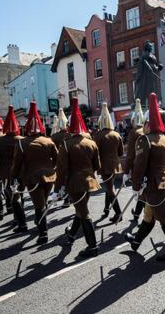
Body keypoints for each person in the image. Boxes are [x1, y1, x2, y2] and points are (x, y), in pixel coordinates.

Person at [125, 93, 165, 261]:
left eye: (145, 124)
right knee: (149, 215)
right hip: (163, 181)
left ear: (148, 124)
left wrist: (135, 186)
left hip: (152, 185)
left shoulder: (145, 140)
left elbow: (139, 166)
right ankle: (136, 241)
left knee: (164, 217)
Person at [56, 98, 101, 258]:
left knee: (83, 212)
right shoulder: (91, 143)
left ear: (69, 127)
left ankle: (92, 246)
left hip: (75, 183)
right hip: (89, 181)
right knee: (80, 209)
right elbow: (97, 166)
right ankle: (72, 234)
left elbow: (62, 170)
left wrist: (57, 188)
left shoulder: (66, 144)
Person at [10, 102, 59, 244]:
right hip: (49, 176)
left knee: (39, 205)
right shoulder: (48, 140)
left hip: (32, 178)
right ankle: (40, 222)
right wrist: (52, 169)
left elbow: (17, 164)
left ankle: (43, 233)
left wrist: (14, 179)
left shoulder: (22, 143)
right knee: (42, 202)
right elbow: (57, 159)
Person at [0, 106, 25, 230]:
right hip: (22, 172)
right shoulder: (22, 140)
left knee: (14, 197)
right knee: (19, 195)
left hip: (7, 173)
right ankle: (18, 217)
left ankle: (20, 221)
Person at [95, 103, 124, 222]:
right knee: (109, 186)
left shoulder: (98, 136)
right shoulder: (117, 134)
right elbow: (121, 153)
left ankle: (118, 213)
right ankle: (106, 208)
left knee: (110, 188)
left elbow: (95, 154)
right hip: (115, 165)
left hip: (104, 166)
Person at [124, 98, 147, 220]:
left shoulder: (134, 133)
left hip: (137, 166)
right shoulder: (146, 130)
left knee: (142, 192)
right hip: (148, 165)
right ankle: (137, 213)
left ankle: (147, 216)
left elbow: (130, 155)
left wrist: (126, 171)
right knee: (143, 192)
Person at [50, 108, 71, 208]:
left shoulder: (54, 136)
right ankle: (69, 198)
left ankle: (66, 199)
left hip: (59, 161)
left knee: (62, 180)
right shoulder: (70, 135)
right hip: (71, 160)